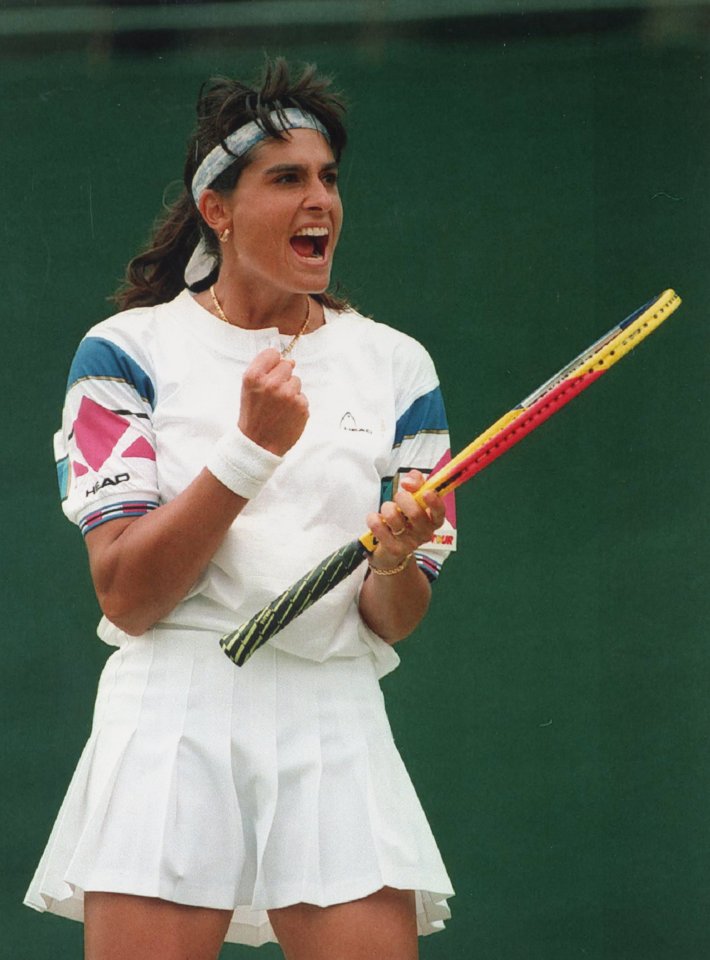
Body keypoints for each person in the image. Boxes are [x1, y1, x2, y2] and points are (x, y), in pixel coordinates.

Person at [24, 58, 458, 960]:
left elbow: (396, 617)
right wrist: (251, 450)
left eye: (330, 178)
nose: (321, 201)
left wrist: (391, 557)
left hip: (333, 709)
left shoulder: (398, 367)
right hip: (173, 712)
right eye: (288, 178)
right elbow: (127, 596)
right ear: (216, 209)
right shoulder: (121, 354)